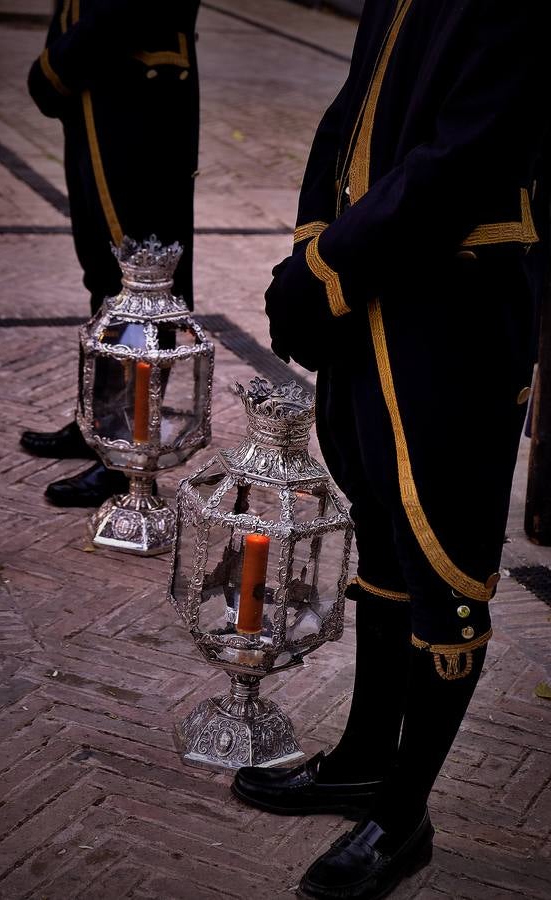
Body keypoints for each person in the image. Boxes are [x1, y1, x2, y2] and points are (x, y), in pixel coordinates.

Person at [231, 2, 550, 898]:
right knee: (377, 515)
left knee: (443, 556)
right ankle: (364, 759)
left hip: (456, 306)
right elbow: (350, 111)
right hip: (373, 284)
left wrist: (329, 269)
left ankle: (402, 813)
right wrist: (310, 250)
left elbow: (468, 159)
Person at [20, 0, 200, 507]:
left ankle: (128, 457)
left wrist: (55, 70)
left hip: (136, 100)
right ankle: (100, 427)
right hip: (107, 95)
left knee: (142, 284)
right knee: (106, 272)